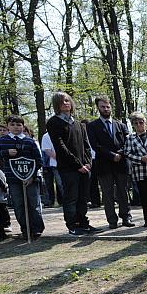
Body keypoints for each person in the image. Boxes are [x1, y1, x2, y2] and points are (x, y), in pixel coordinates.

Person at [46, 91, 102, 236]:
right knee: (71, 198)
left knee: (83, 197)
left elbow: (86, 145)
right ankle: (72, 225)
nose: (66, 103)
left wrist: (88, 163)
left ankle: (84, 223)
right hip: (68, 168)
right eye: (62, 101)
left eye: (67, 100)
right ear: (57, 104)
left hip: (85, 167)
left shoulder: (78, 124)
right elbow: (60, 147)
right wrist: (78, 165)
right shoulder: (54, 122)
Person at [0, 115, 45, 239]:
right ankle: (25, 229)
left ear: (23, 126)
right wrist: (5, 153)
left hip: (30, 179)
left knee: (33, 204)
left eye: (18, 125)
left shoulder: (29, 141)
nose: (16, 127)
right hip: (13, 179)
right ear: (8, 126)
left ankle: (36, 229)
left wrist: (32, 176)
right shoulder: (2, 141)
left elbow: (39, 161)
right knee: (19, 205)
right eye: (12, 125)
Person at [87, 96, 134, 229]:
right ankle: (112, 220)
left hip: (121, 163)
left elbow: (128, 142)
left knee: (123, 192)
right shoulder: (92, 126)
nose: (106, 109)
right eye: (103, 106)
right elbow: (95, 145)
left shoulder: (121, 125)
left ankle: (126, 217)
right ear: (98, 108)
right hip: (103, 164)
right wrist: (111, 155)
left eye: (108, 106)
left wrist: (120, 154)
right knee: (107, 194)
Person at [123, 112, 147, 227]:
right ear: (133, 125)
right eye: (136, 123)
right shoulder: (130, 138)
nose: (139, 125)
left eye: (141, 122)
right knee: (145, 198)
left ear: (145, 122)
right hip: (140, 172)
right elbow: (127, 153)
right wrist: (140, 158)